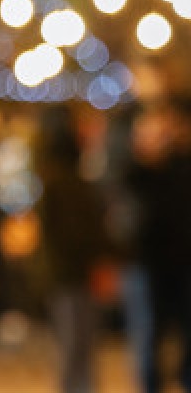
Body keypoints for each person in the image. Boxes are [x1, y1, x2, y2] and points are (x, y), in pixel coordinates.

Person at [113, 92, 191, 393]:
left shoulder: (181, 166)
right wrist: (146, 159)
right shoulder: (133, 171)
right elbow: (130, 212)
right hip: (144, 264)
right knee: (147, 335)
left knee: (184, 331)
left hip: (182, 262)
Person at [32, 103, 108, 393]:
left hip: (70, 274)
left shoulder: (58, 176)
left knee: (77, 349)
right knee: (75, 349)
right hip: (70, 275)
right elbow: (75, 232)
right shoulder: (62, 180)